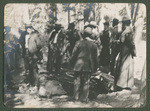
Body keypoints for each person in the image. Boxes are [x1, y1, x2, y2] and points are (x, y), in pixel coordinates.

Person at [70, 27, 98, 103]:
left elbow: (73, 55)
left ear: (83, 34)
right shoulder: (94, 45)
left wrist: (72, 64)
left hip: (78, 65)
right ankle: (84, 99)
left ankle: (75, 98)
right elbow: (95, 58)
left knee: (77, 82)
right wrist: (95, 68)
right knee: (86, 82)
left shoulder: (78, 43)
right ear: (91, 35)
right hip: (87, 66)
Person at [115, 17, 136, 91]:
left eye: (123, 23)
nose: (122, 25)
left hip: (125, 50)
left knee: (124, 66)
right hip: (127, 50)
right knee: (127, 66)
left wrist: (118, 41)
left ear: (125, 24)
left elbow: (125, 41)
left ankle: (122, 84)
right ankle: (126, 84)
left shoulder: (126, 31)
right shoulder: (129, 30)